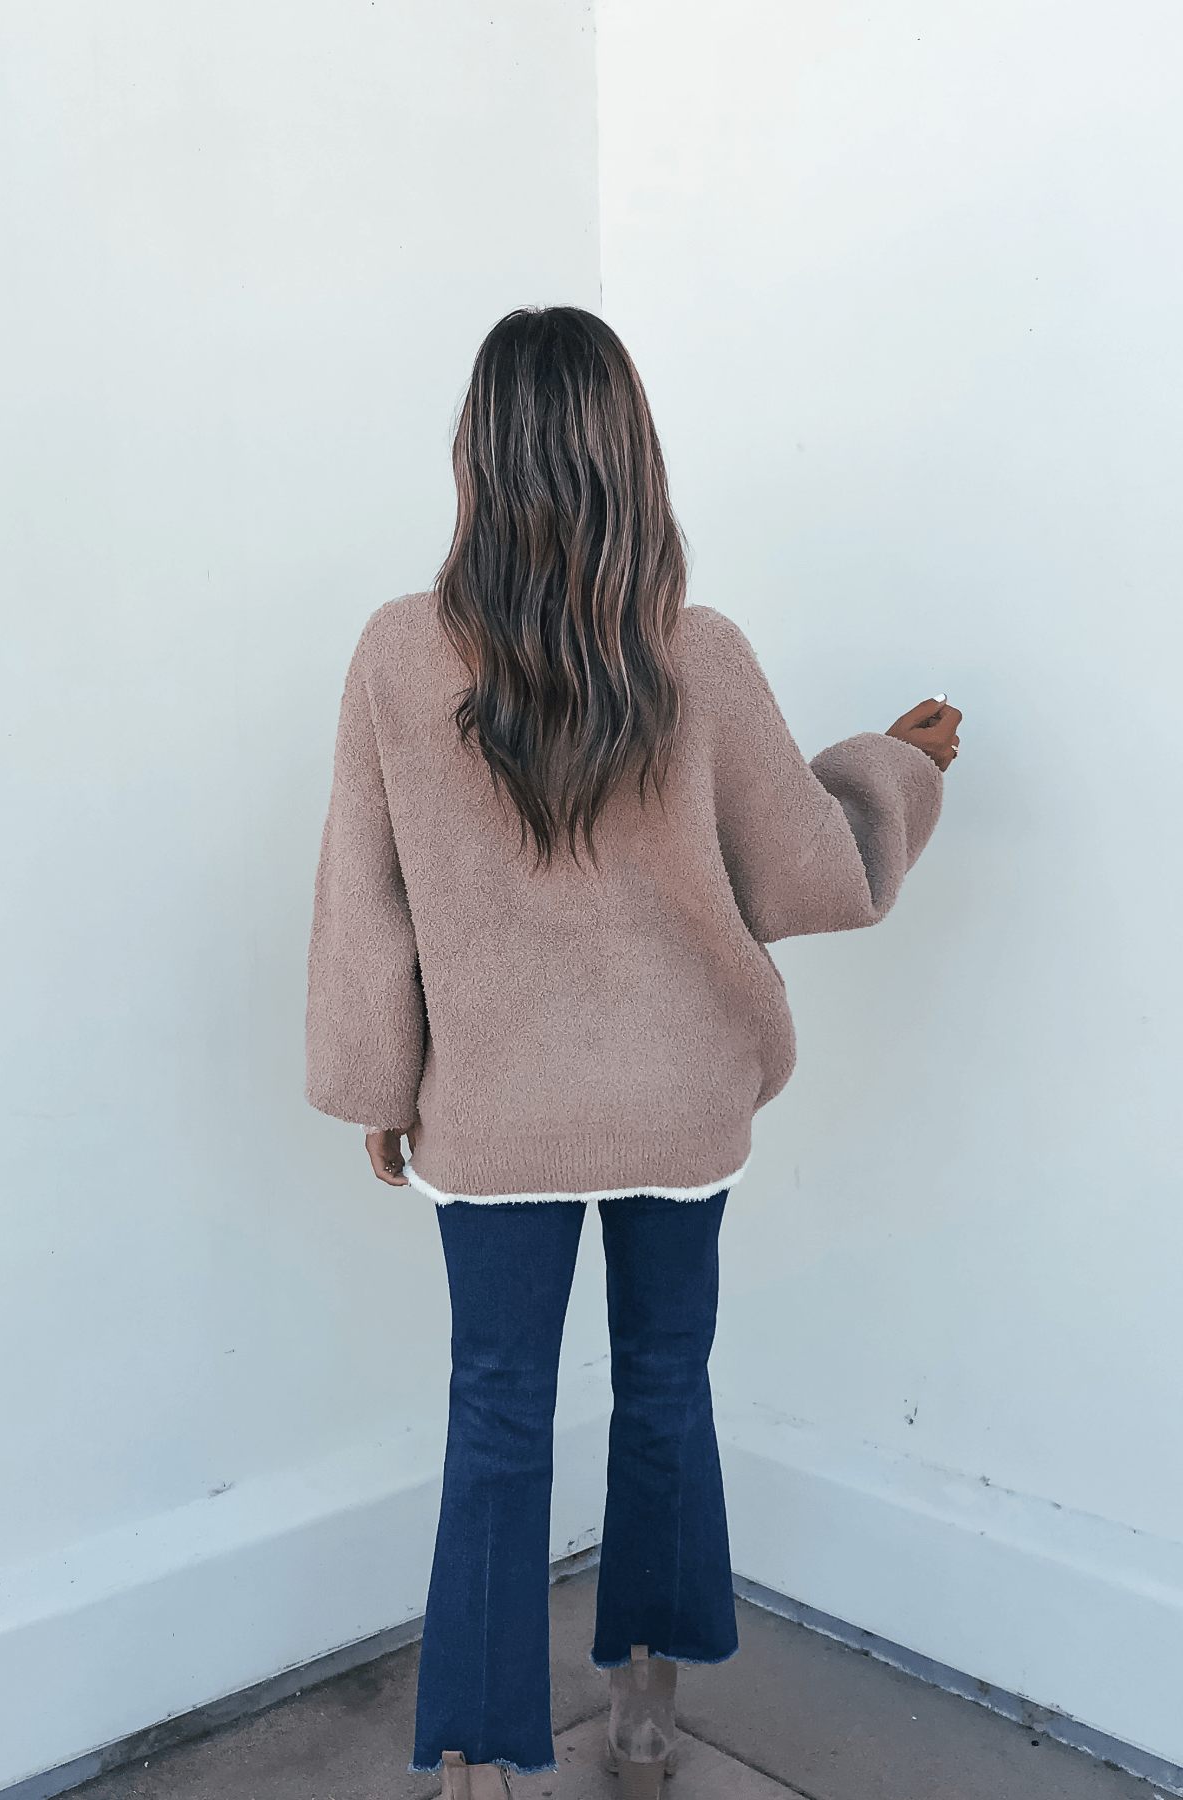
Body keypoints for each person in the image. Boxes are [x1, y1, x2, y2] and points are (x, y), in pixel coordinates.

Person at [304, 306, 961, 1799]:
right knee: (667, 1386)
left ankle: (474, 1766)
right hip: (681, 1109)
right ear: (630, 451)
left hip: (493, 1115)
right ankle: (649, 1719)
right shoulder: (700, 655)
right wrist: (903, 767)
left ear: (478, 453)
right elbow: (815, 872)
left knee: (496, 1416)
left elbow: (366, 895)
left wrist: (377, 1085)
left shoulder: (401, 656)